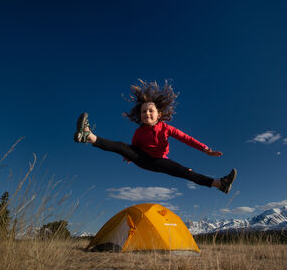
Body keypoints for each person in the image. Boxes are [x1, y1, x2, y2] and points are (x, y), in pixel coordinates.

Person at [73, 80, 237, 193]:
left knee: (186, 172)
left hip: (160, 161)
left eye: (151, 111)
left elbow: (186, 138)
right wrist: (129, 156)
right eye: (144, 112)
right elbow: (133, 147)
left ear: (159, 115)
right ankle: (88, 136)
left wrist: (205, 149)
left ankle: (220, 184)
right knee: (121, 146)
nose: (147, 114)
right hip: (143, 159)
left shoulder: (166, 128)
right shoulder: (139, 132)